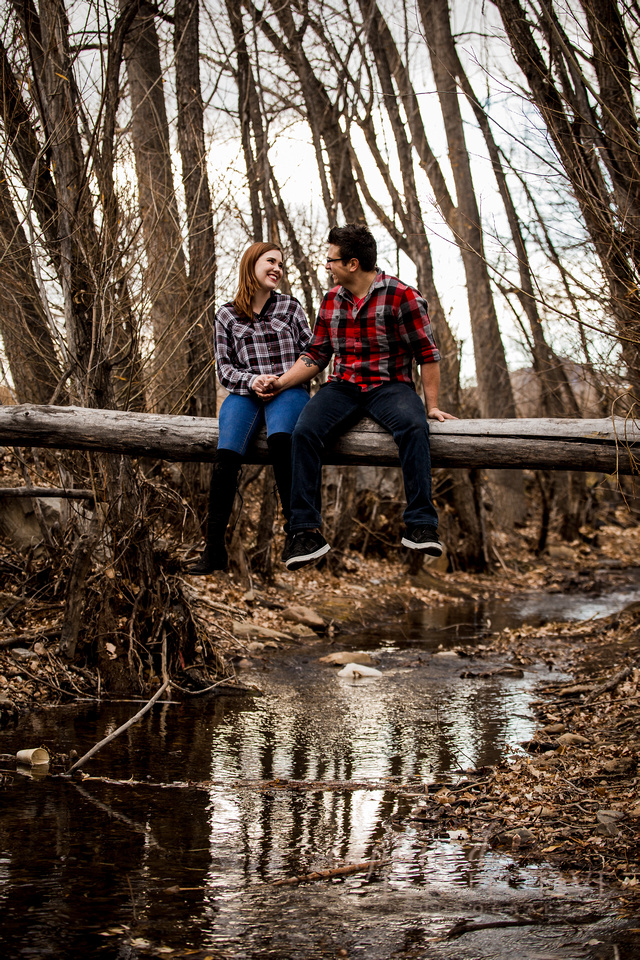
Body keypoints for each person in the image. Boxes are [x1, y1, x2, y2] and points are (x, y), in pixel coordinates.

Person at [254, 223, 457, 571]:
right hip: (343, 385)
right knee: (304, 433)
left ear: (351, 264)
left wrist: (433, 405)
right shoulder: (331, 300)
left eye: (330, 260)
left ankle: (422, 524)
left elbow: (427, 354)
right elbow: (316, 355)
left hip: (390, 385)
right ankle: (305, 532)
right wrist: (281, 383)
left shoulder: (402, 296)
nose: (327, 266)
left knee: (413, 426)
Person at [188, 241, 312, 574]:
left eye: (281, 264)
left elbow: (311, 354)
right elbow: (224, 367)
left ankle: (298, 535)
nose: (277, 269)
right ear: (251, 264)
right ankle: (214, 549)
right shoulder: (226, 314)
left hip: (288, 389)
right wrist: (252, 381)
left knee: (280, 441)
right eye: (271, 261)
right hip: (245, 392)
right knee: (226, 455)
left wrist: (283, 381)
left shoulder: (291, 307)